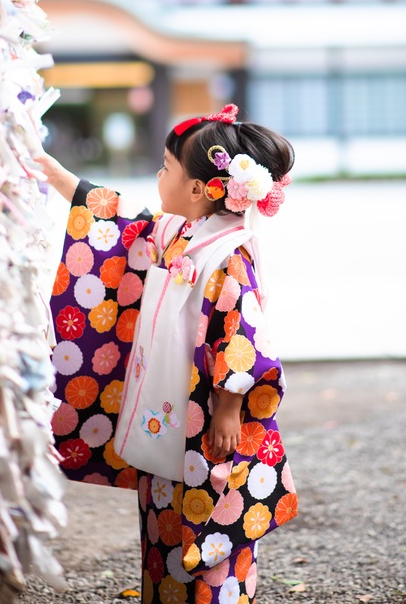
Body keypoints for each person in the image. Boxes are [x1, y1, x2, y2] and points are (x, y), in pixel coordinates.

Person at [36, 104, 298, 604]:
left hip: (207, 414)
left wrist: (228, 407)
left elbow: (241, 335)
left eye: (165, 167)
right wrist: (51, 171)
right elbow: (119, 223)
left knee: (207, 527)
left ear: (199, 188)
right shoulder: (181, 234)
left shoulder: (229, 252)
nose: (159, 175)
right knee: (163, 517)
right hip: (170, 404)